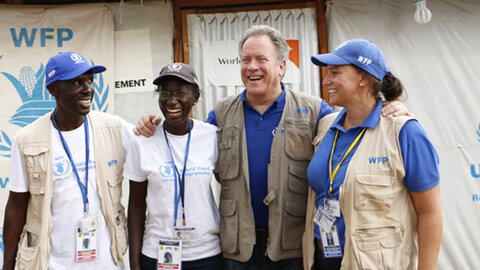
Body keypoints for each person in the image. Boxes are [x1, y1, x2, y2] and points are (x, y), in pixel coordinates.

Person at [135, 25, 410, 269]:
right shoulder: (221, 113)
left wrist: (386, 105)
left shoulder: (314, 110)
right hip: (237, 250)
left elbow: (355, 122)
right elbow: (184, 136)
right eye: (245, 60)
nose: (251, 66)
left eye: (260, 59)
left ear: (281, 66)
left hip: (292, 248)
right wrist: (152, 124)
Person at [303, 39, 442, 270]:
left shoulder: (405, 132)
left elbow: (430, 212)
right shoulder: (325, 125)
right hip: (322, 259)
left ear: (363, 78)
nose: (326, 81)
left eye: (335, 73)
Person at [2, 51, 133, 270]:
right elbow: (16, 206)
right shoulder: (26, 140)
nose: (88, 89)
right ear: (53, 89)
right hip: (52, 264)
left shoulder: (115, 128)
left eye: (90, 81)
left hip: (108, 263)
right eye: (76, 82)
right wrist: (7, 266)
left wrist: (152, 122)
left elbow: (155, 147)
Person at [125, 63, 222, 270]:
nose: (172, 100)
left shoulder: (211, 136)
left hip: (207, 255)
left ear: (195, 97)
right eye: (165, 93)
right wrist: (134, 264)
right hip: (157, 253)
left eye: (181, 93)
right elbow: (135, 205)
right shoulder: (142, 141)